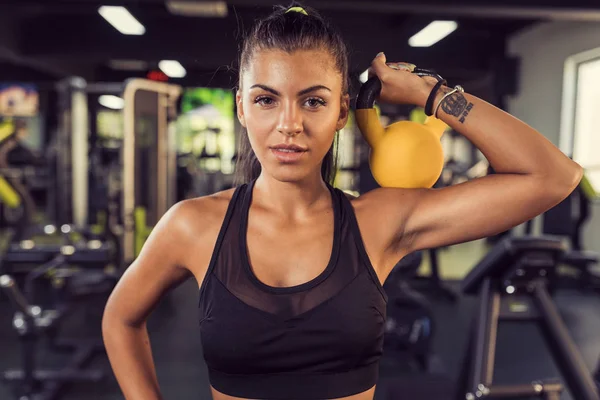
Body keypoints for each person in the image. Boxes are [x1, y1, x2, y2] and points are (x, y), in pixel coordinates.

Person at [101, 4, 583, 400]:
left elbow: (552, 177)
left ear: (341, 113)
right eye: (267, 99)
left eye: (313, 101)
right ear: (242, 108)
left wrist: (430, 92)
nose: (289, 124)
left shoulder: (382, 220)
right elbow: (121, 318)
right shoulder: (192, 225)